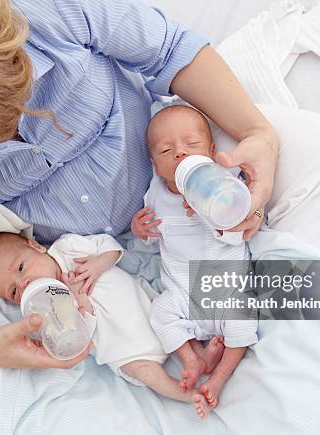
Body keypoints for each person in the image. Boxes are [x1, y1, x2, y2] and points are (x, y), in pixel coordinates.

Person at [0, 0, 278, 430]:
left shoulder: (46, 18)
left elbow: (168, 50)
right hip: (93, 263)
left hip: (177, 177)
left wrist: (256, 132)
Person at [0, 231, 225, 418]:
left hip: (143, 305)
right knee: (147, 373)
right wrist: (78, 301)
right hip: (125, 349)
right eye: (13, 292)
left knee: (171, 316)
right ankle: (186, 394)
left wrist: (98, 264)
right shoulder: (46, 309)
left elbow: (110, 247)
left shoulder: (67, 248)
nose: (25, 283)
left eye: (21, 267)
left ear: (35, 246)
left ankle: (200, 355)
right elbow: (80, 336)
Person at [131, 105, 257, 411]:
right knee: (160, 312)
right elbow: (148, 234)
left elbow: (241, 228)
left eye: (192, 144)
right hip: (183, 292)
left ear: (212, 152)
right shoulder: (155, 194)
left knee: (243, 318)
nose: (180, 153)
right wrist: (139, 229)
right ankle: (194, 359)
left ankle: (219, 378)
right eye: (166, 150)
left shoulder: (225, 183)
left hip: (225, 285)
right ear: (155, 165)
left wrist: (219, 214)